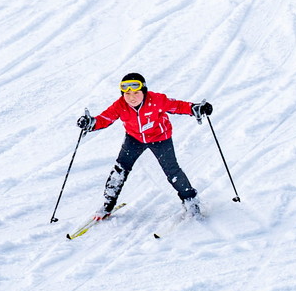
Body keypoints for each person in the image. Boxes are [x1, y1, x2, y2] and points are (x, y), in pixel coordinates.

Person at [77, 72, 213, 218]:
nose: (132, 97)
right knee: (120, 169)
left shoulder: (157, 99)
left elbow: (177, 106)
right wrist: (91, 123)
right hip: (134, 139)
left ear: (144, 91)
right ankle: (107, 205)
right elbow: (105, 118)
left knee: (172, 171)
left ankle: (190, 202)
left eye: (136, 92)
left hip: (160, 138)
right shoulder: (120, 105)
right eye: (127, 93)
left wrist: (195, 108)